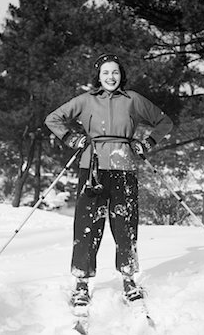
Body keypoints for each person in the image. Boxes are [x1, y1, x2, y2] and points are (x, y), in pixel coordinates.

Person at [45, 53, 173, 307]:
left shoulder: (133, 100)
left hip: (123, 168)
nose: (110, 77)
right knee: (87, 226)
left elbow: (164, 122)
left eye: (115, 72)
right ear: (98, 76)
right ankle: (81, 283)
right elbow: (53, 119)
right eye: (105, 72)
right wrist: (73, 139)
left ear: (121, 75)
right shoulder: (86, 100)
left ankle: (128, 279)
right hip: (91, 167)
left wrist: (146, 143)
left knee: (125, 225)